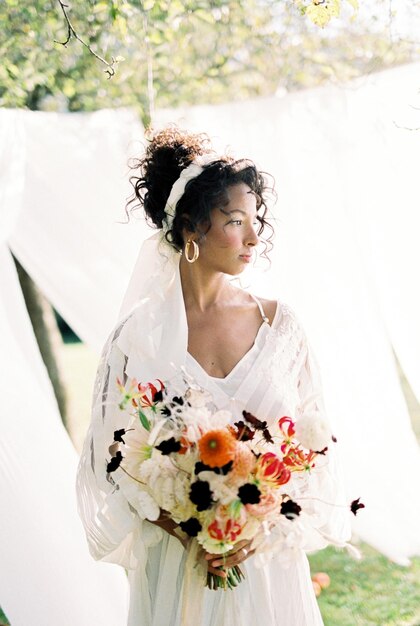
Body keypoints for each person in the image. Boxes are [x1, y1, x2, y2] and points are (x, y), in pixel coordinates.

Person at [77, 127, 351, 626]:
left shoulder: (280, 325)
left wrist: (255, 525)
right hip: (179, 565)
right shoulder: (139, 338)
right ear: (189, 230)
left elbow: (313, 448)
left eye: (255, 221)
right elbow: (112, 460)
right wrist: (190, 527)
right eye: (234, 221)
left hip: (268, 565)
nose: (253, 238)